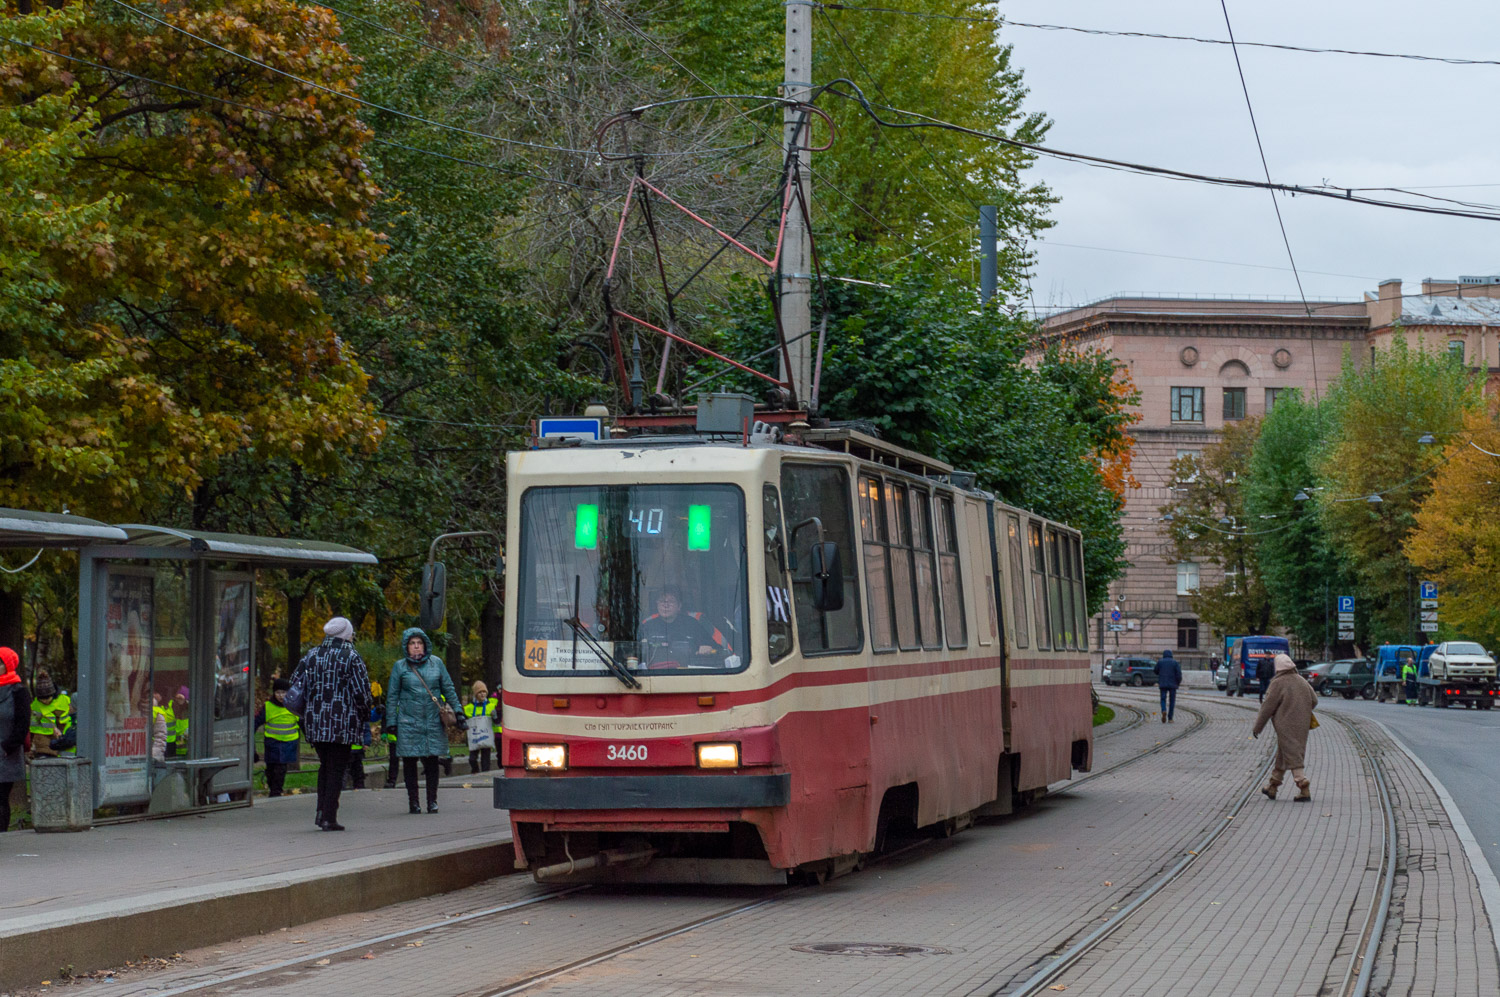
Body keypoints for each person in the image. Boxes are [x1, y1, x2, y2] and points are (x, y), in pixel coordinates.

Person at [292, 616, 373, 831]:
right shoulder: (351, 657)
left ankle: (321, 812)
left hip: (315, 721)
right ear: (346, 634)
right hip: (342, 722)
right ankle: (329, 816)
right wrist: (365, 714)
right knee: (337, 768)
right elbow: (361, 692)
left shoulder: (312, 655)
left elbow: (295, 683)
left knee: (325, 765)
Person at [386, 627, 462, 815]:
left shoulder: (436, 664)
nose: (416, 646)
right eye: (412, 643)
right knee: (409, 763)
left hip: (432, 721)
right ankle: (413, 801)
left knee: (432, 761)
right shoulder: (400, 667)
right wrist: (391, 722)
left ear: (425, 645)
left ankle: (432, 801)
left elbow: (448, 689)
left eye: (419, 643)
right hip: (408, 721)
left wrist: (459, 712)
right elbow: (392, 696)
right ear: (406, 646)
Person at [1252, 653, 1317, 802]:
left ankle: (1302, 783)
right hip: (1302, 724)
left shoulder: (1277, 683)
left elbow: (1267, 708)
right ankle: (1273, 786)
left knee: (1293, 753)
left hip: (1284, 725)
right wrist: (1302, 711)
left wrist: (1257, 728)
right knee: (1284, 752)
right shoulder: (1301, 680)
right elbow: (1314, 700)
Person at [638, 586, 726, 666]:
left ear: (679, 606)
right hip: (655, 674)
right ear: (657, 604)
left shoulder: (693, 624)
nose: (666, 605)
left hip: (687, 673)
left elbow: (718, 649)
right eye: (662, 601)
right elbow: (635, 653)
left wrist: (708, 648)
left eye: (671, 601)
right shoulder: (647, 626)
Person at [0, 647, 30, 832]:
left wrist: (8, 747)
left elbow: (23, 723)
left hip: (6, 754)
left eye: (0, 663)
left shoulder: (19, 692)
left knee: (1, 796)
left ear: (8, 665)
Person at [254, 678, 300, 797]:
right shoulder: (268, 706)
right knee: (271, 769)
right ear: (274, 693)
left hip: (288, 743)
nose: (281, 696)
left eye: (284, 692)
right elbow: (256, 722)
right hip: (272, 743)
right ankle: (273, 788)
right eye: (278, 692)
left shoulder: (294, 706)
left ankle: (276, 792)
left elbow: (302, 723)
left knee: (280, 769)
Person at [28, 672, 72, 757]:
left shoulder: (64, 701)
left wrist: (61, 731)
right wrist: (53, 728)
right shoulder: (35, 706)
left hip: (65, 740)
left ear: (53, 694)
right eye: (42, 699)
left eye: (47, 698)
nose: (45, 701)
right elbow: (35, 726)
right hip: (44, 745)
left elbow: (70, 719)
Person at [464, 681, 498, 773]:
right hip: (475, 737)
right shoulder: (469, 707)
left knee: (485, 759)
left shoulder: (491, 706)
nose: (482, 694)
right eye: (479, 692)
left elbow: (496, 722)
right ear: (475, 694)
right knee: (472, 759)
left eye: (484, 692)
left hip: (486, 735)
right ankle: (475, 771)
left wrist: (495, 716)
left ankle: (485, 775)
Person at [1155, 649, 1181, 724]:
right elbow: (1179, 674)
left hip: (1163, 683)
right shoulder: (1175, 662)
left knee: (1163, 699)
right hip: (1173, 684)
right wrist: (1178, 682)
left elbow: (1155, 670)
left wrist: (1160, 673)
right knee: (1172, 701)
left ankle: (1164, 710)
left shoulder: (1160, 662)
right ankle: (1170, 718)